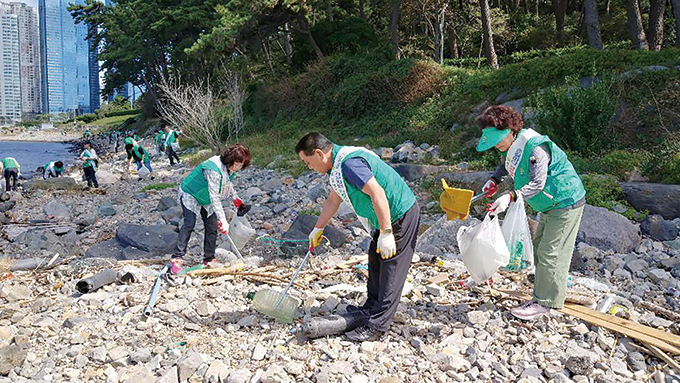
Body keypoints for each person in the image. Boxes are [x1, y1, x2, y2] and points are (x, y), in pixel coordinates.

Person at [296, 132, 420, 342]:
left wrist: (387, 233)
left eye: (308, 162)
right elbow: (333, 201)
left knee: (391, 267)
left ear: (319, 153)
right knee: (375, 259)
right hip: (383, 218)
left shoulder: (349, 164)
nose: (309, 167)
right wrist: (318, 229)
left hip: (399, 213)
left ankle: (378, 326)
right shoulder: (336, 165)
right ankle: (370, 308)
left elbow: (377, 193)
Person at [475, 105, 586, 320]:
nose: (496, 145)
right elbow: (505, 165)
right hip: (548, 204)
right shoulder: (510, 147)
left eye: (498, 138)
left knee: (551, 251)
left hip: (565, 200)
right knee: (539, 246)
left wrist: (510, 196)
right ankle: (547, 290)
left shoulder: (535, 148)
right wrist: (494, 180)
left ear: (511, 131)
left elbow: (537, 183)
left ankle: (546, 303)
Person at [170, 144, 251, 273]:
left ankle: (209, 258)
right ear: (230, 160)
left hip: (206, 198)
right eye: (236, 164)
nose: (237, 168)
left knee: (212, 226)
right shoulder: (213, 169)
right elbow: (215, 197)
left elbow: (227, 184)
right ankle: (177, 258)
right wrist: (223, 220)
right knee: (189, 223)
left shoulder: (230, 170)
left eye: (241, 166)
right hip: (191, 193)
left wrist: (236, 198)